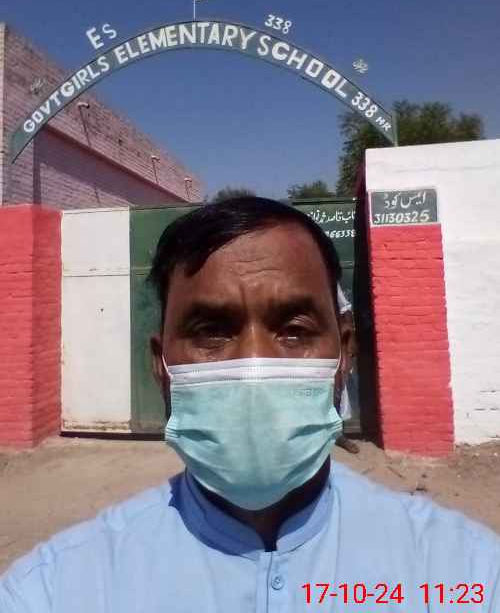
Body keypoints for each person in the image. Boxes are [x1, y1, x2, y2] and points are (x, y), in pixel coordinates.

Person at [1, 196, 499, 612]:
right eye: (211, 331)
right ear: (161, 366)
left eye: (294, 330)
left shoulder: (462, 573)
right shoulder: (56, 589)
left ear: (344, 354)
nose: (254, 366)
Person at [335, 283, 360, 454]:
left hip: (334, 339)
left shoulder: (329, 282)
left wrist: (350, 342)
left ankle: (339, 434)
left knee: (339, 386)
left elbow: (345, 310)